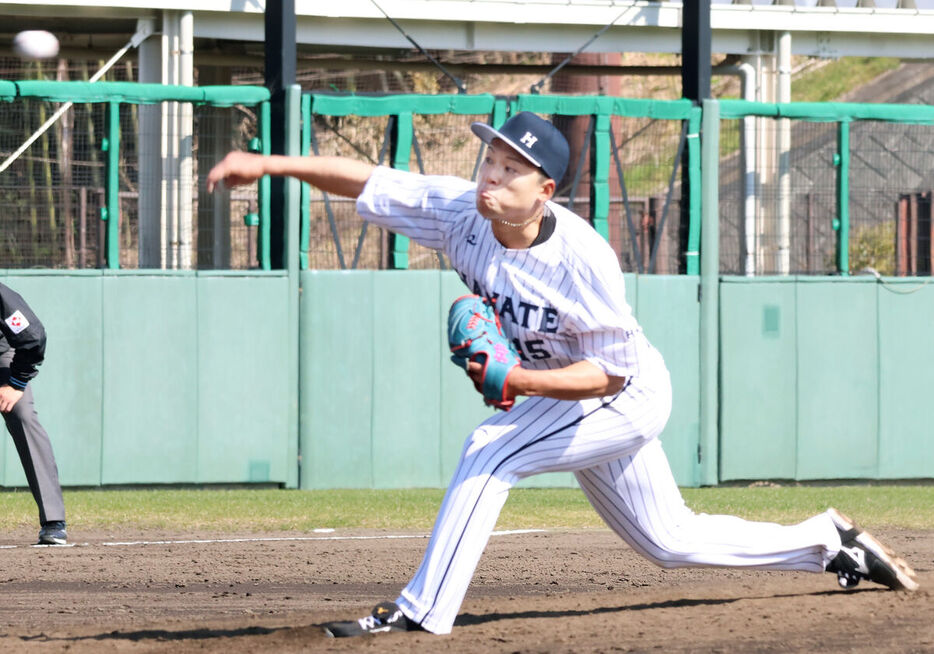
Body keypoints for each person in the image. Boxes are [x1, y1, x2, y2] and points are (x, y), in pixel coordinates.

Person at [207, 111, 918, 637]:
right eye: (490, 158)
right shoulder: (462, 213)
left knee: (493, 448)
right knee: (668, 540)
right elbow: (369, 180)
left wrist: (517, 384)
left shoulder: (583, 260)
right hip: (567, 389)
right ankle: (829, 543)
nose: (492, 174)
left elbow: (607, 376)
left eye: (511, 167)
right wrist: (268, 167)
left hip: (622, 393)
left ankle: (422, 613)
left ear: (544, 187)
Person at [0, 282, 66, 545]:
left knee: (22, 414)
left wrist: (16, 384)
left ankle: (53, 521)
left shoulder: (2, 298)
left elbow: (32, 337)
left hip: (3, 357)